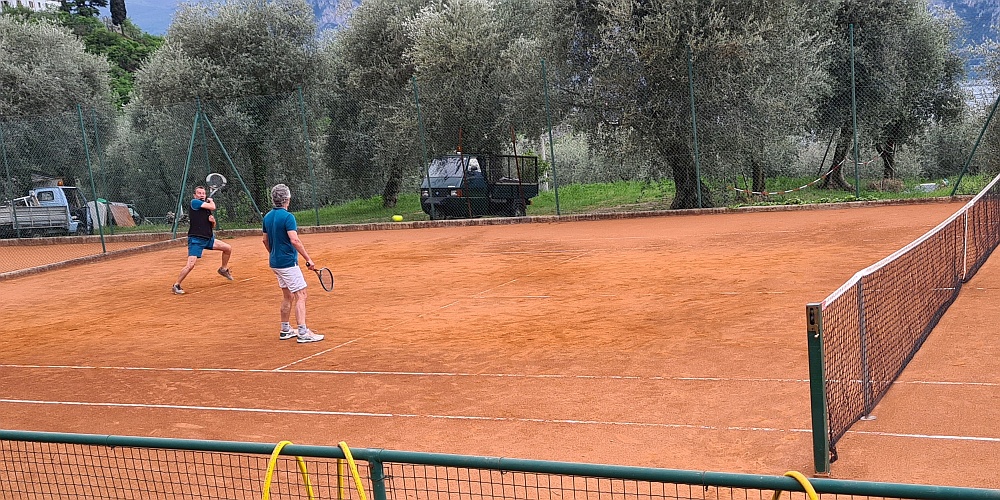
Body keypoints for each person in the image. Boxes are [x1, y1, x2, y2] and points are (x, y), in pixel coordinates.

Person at [262, 183, 324, 343]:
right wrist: (308, 259)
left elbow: (265, 240)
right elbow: (294, 240)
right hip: (288, 263)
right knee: (301, 294)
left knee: (287, 295)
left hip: (275, 263)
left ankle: (285, 329)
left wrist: (274, 254)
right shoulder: (288, 217)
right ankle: (303, 332)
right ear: (287, 199)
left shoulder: (267, 217)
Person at [172, 185, 234, 294]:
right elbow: (213, 207)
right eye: (199, 193)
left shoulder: (205, 209)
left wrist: (213, 221)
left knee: (227, 248)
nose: (202, 195)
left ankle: (223, 269)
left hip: (208, 238)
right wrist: (211, 201)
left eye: (204, 193)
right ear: (195, 195)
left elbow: (211, 225)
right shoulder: (194, 203)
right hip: (196, 240)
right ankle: (176, 285)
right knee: (190, 265)